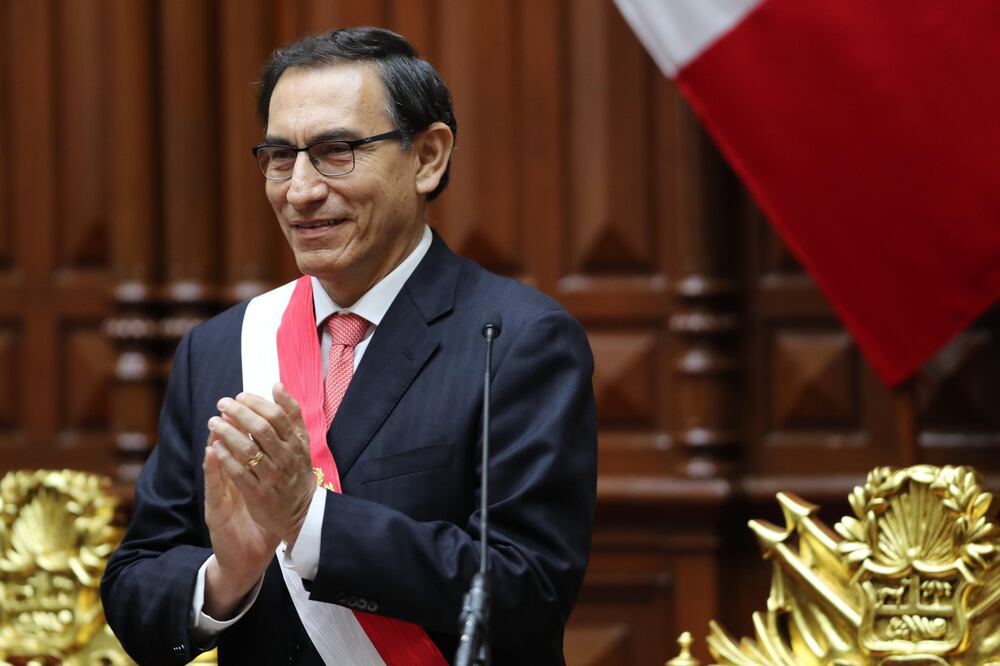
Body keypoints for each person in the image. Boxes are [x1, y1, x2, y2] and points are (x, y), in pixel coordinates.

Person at [101, 26, 596, 665]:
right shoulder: (222, 346)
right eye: (281, 157)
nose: (299, 190)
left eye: (337, 151)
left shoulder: (518, 340)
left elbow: (528, 592)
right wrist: (227, 577)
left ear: (428, 158)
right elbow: (137, 581)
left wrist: (310, 523)